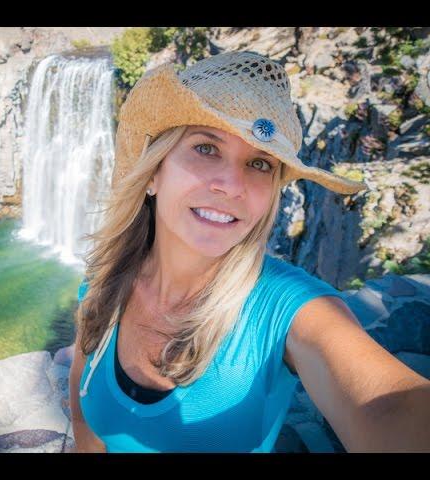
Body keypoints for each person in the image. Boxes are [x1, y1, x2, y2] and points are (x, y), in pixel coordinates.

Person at [68, 51, 430, 453]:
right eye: (206, 148)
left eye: (260, 164)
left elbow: (391, 409)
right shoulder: (103, 283)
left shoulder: (286, 307)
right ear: (153, 172)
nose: (232, 185)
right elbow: (85, 416)